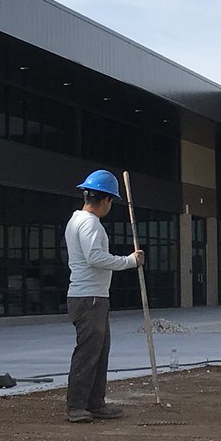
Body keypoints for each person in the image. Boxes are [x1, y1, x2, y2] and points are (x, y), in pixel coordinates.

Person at [64, 169, 144, 423]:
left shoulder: (77, 220)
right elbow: (95, 258)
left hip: (92, 297)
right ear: (107, 200)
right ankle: (76, 406)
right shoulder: (89, 224)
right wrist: (130, 261)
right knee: (88, 353)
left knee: (99, 351)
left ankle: (95, 402)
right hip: (89, 298)